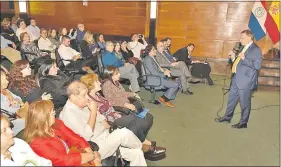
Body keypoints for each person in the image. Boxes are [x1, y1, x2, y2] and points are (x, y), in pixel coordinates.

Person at [60, 81, 147, 166]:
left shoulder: (81, 103)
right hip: (94, 147)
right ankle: (142, 145)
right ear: (73, 97)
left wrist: (99, 116)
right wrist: (93, 111)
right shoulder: (69, 115)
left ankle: (140, 147)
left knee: (137, 153)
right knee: (123, 133)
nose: (87, 97)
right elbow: (86, 136)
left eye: (87, 94)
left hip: (105, 136)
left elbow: (101, 118)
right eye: (84, 95)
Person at [80, 73, 166, 158]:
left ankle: (141, 142)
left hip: (115, 114)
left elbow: (112, 103)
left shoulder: (98, 94)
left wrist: (116, 112)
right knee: (132, 119)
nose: (99, 82)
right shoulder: (89, 101)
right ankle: (145, 144)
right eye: (96, 81)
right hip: (109, 122)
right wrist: (118, 112)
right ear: (91, 85)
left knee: (147, 117)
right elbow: (100, 118)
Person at [23, 100, 101, 166]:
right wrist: (91, 157)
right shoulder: (37, 143)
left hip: (75, 154)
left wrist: (92, 156)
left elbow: (76, 138)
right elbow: (63, 160)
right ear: (43, 118)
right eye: (51, 112)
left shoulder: (57, 123)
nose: (54, 113)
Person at [215, 30, 262, 129]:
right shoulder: (243, 47)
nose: (240, 40)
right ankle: (227, 117)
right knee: (231, 100)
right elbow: (238, 63)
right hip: (236, 78)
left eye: (242, 38)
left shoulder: (256, 49)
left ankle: (243, 123)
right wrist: (233, 58)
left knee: (245, 103)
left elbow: (257, 66)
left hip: (246, 81)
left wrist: (245, 58)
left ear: (249, 37)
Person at [1, 71, 26, 135]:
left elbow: (19, 99)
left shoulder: (5, 90)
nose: (7, 81)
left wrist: (19, 104)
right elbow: (7, 113)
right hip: (12, 122)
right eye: (4, 80)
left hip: (20, 113)